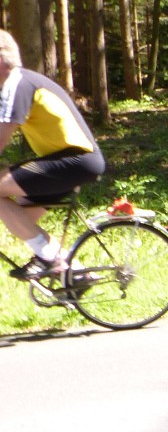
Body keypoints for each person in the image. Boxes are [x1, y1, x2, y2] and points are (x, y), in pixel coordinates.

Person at [0, 29, 106, 280]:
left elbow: (2, 138)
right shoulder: (12, 86)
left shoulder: (18, 84)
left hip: (75, 160)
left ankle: (52, 260)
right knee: (20, 219)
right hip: (63, 161)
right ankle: (76, 274)